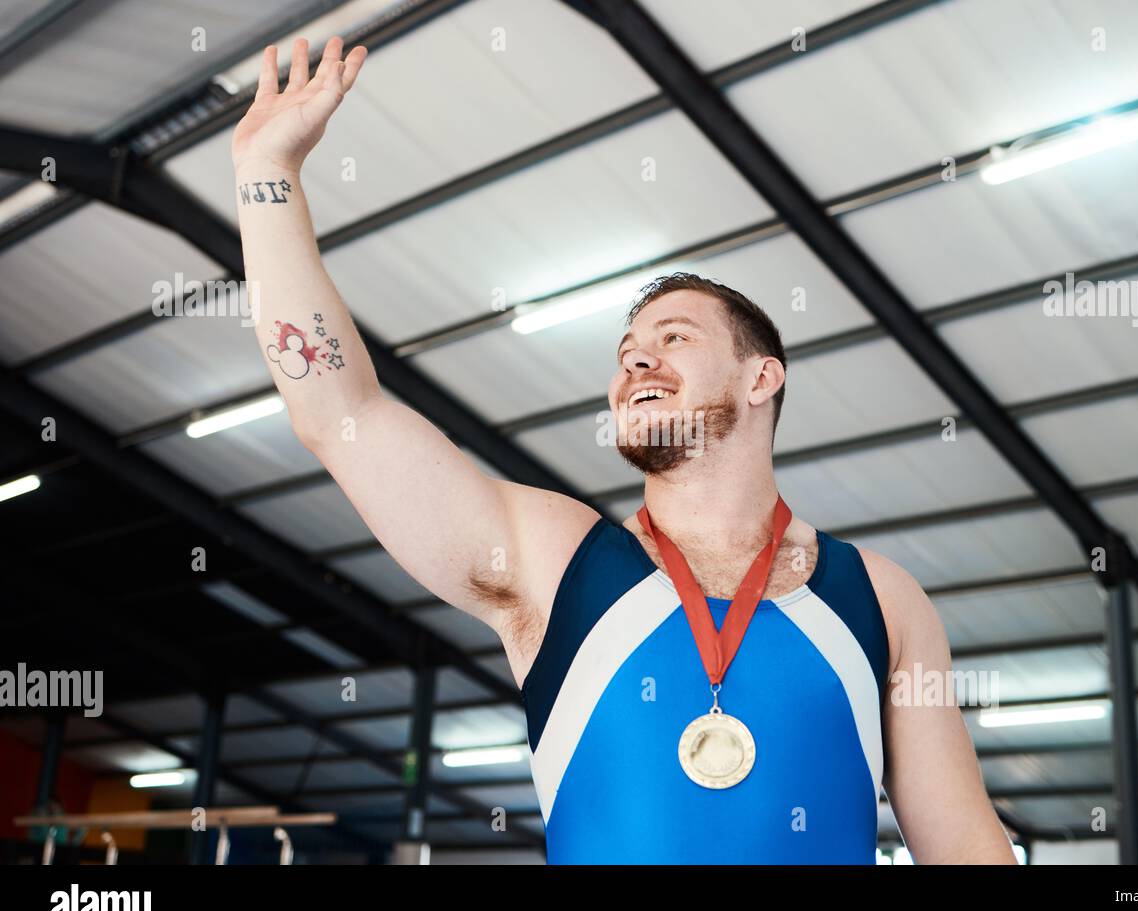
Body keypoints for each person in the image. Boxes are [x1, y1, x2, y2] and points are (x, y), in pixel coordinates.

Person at [231, 36, 1016, 864]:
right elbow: (339, 411)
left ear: (761, 379)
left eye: (673, 337)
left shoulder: (883, 601)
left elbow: (967, 847)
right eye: (626, 350)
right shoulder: (554, 560)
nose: (635, 361)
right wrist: (265, 174)